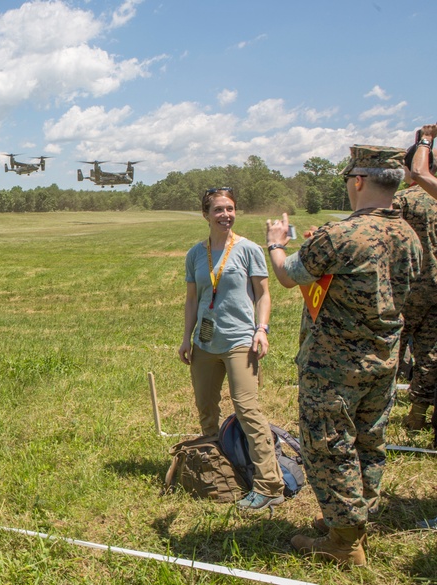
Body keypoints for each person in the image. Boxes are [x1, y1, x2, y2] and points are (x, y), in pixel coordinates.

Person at [265, 145, 422, 566]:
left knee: (328, 446)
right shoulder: (409, 234)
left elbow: (285, 275)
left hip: (335, 365)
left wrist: (276, 243)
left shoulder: (342, 235)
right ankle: (349, 520)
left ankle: (344, 543)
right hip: (384, 358)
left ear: (357, 181)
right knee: (368, 442)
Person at [178, 187, 285, 514]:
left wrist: (261, 330)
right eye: (218, 210)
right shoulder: (196, 254)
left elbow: (263, 295)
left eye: (230, 208)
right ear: (205, 214)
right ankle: (218, 469)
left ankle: (270, 485)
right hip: (205, 344)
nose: (225, 215)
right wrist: (186, 338)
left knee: (247, 409)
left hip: (241, 341)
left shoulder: (249, 249)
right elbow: (193, 299)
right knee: (206, 408)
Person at [394, 139, 437, 433]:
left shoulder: (404, 201)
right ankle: (417, 415)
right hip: (436, 290)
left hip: (406, 289)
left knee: (391, 349)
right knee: (430, 352)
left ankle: (376, 410)